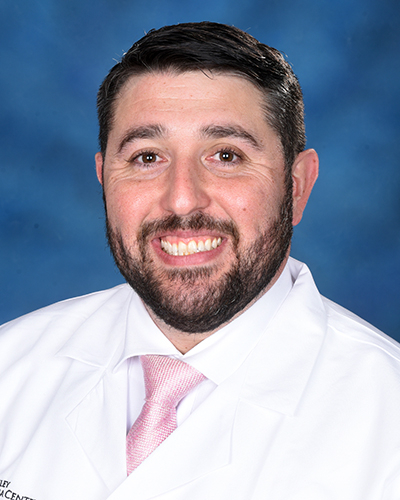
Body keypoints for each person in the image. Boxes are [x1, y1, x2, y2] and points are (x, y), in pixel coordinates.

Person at [0, 21, 399, 500]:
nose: (182, 200)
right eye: (147, 158)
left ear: (296, 186)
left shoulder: (387, 422)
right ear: (104, 179)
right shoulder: (10, 367)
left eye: (226, 156)